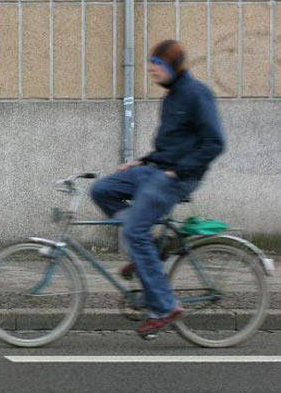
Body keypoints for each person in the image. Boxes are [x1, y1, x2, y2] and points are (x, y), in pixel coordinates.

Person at [90, 39, 225, 337]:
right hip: (156, 170)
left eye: (157, 65)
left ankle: (164, 306)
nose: (152, 70)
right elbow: (168, 147)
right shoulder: (172, 97)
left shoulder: (197, 94)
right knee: (102, 190)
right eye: (151, 65)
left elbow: (215, 143)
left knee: (133, 231)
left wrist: (179, 169)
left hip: (179, 178)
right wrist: (141, 161)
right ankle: (147, 250)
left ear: (173, 67)